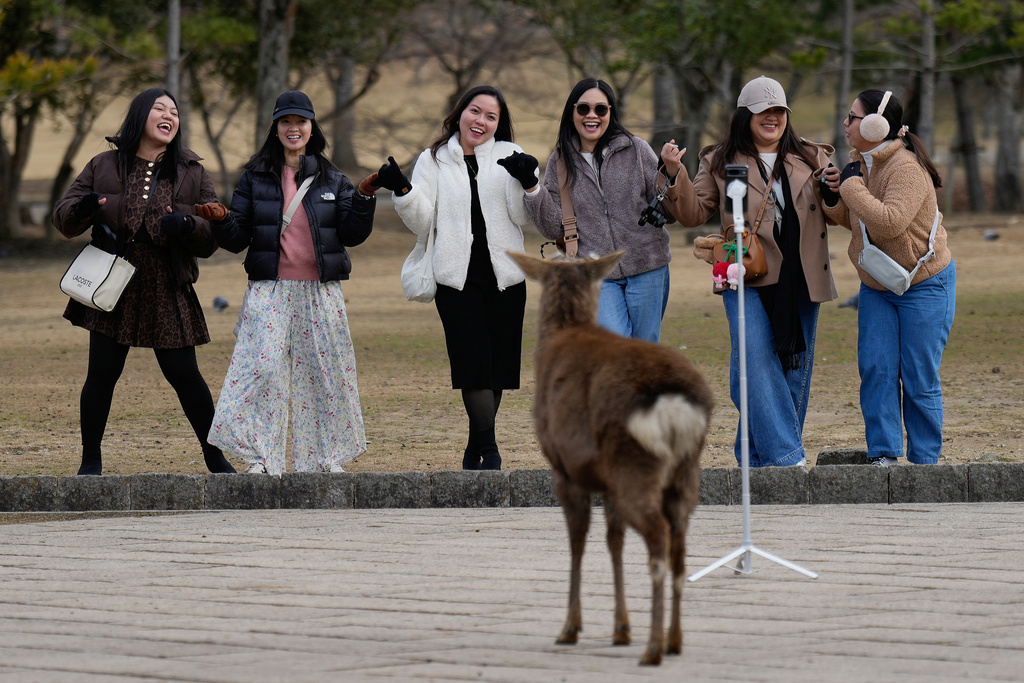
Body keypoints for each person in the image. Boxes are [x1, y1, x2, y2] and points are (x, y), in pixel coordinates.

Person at [52, 88, 236, 476]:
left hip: (167, 283)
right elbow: (63, 216)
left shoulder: (192, 170)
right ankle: (90, 464)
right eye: (159, 108)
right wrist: (82, 210)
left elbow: (211, 234)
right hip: (113, 284)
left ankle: (216, 461)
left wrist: (187, 224)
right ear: (140, 116)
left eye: (174, 110)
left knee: (185, 375)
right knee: (102, 375)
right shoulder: (103, 164)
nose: (169, 115)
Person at [661, 75, 838, 468]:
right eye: (763, 112)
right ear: (745, 116)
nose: (772, 118)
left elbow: (836, 213)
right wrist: (675, 174)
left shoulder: (813, 156)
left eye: (779, 111)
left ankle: (755, 460)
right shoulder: (720, 160)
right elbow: (691, 213)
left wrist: (836, 192)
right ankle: (787, 459)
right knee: (756, 363)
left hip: (802, 277)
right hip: (745, 273)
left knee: (792, 371)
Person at [204, 91, 375, 475]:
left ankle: (325, 459)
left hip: (321, 290)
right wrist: (219, 219)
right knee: (261, 370)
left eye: (300, 121)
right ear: (275, 128)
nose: (293, 128)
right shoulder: (255, 177)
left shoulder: (333, 178)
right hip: (270, 287)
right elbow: (236, 239)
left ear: (312, 128)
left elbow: (351, 234)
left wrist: (364, 196)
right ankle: (262, 458)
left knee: (327, 373)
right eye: (285, 122)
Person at [376, 85, 531, 470]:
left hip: (507, 278)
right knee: (473, 362)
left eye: (491, 116)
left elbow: (524, 218)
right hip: (456, 280)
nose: (481, 121)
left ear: (499, 123)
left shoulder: (511, 155)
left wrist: (529, 183)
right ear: (460, 112)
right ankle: (491, 451)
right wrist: (403, 190)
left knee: (496, 368)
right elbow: (423, 222)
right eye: (475, 111)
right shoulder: (433, 160)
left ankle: (474, 445)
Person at [821, 89, 955, 466]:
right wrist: (833, 197)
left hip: (925, 284)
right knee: (877, 369)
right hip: (879, 287)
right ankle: (885, 458)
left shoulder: (906, 168)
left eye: (852, 117)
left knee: (918, 377)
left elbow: (891, 223)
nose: (845, 124)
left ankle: (925, 465)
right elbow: (859, 223)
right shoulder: (862, 164)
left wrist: (849, 188)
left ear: (877, 125)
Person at [512, 77, 673, 343]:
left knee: (645, 350)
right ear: (572, 112)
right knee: (613, 348)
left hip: (648, 267)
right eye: (583, 108)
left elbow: (667, 209)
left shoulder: (637, 149)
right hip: (596, 273)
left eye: (601, 109)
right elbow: (553, 227)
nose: (592, 116)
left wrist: (672, 173)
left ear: (611, 112)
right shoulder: (560, 161)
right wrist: (531, 187)